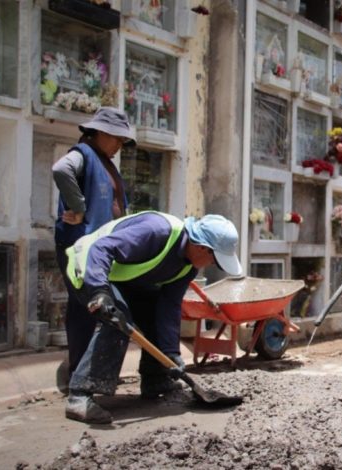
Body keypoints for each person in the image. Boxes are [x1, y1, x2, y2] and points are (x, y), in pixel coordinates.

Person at [63, 211, 243, 424]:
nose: (213, 265)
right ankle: (80, 395)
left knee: (154, 314)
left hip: (122, 277)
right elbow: (102, 248)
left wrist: (171, 353)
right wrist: (99, 292)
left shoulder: (188, 267)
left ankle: (156, 380)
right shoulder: (157, 231)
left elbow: (169, 307)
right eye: (215, 260)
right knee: (117, 319)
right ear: (201, 246)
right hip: (91, 266)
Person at [52, 107, 136, 383]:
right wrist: (77, 206)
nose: (118, 146)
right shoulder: (83, 154)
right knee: (94, 310)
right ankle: (81, 375)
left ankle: (79, 370)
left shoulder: (104, 161)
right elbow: (61, 170)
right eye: (116, 139)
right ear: (99, 132)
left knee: (86, 311)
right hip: (80, 248)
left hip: (98, 250)